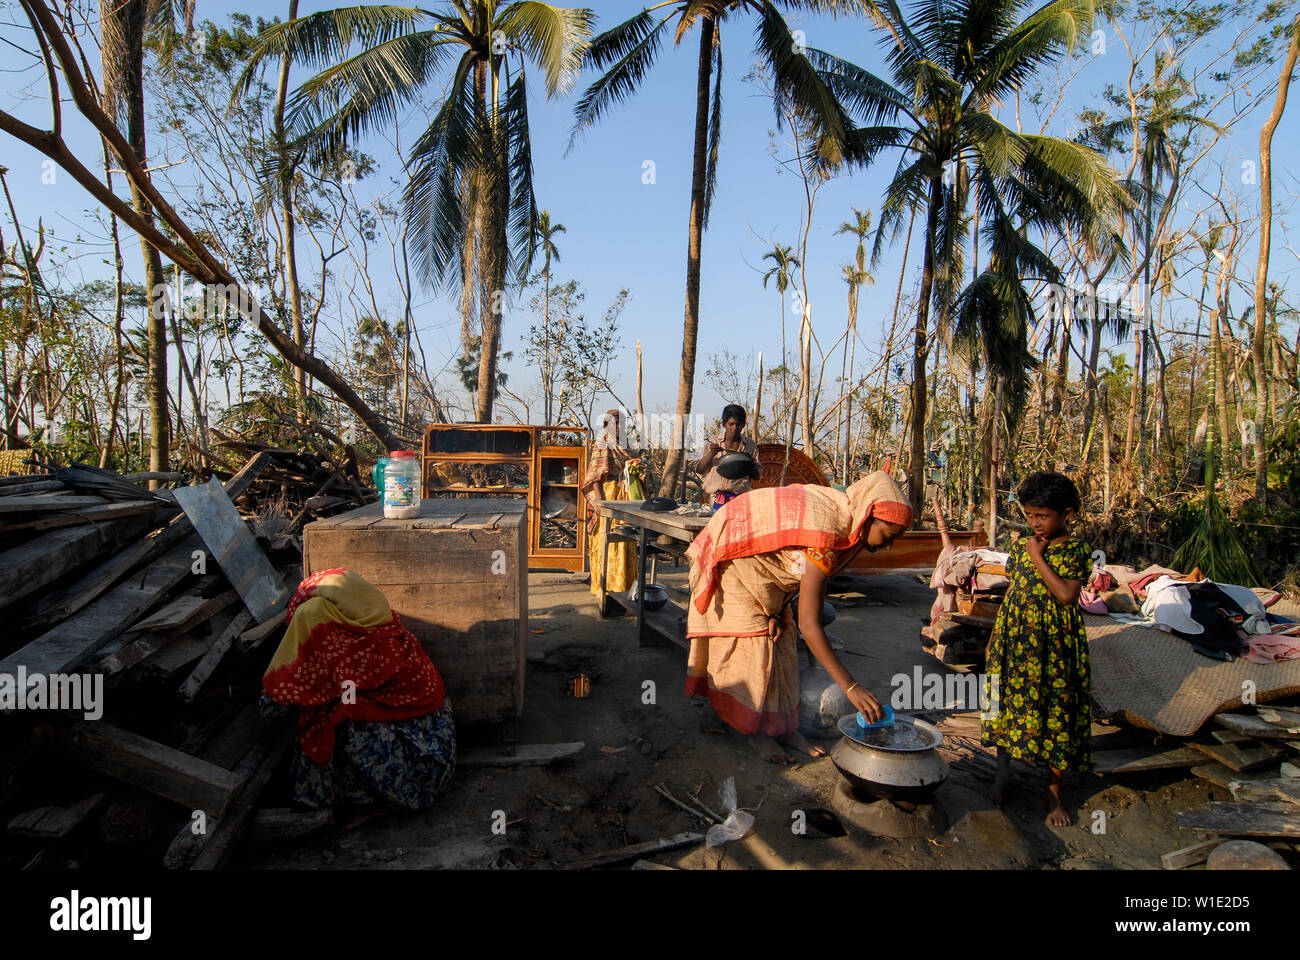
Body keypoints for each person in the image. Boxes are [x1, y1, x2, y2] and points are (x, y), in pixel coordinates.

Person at [684, 471, 912, 763]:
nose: (887, 545)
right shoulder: (828, 531)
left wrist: (779, 609)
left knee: (783, 636)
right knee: (755, 642)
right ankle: (757, 733)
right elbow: (810, 622)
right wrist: (851, 687)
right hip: (734, 555)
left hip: (763, 561)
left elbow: (803, 579)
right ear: (869, 516)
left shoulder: (844, 525)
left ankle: (786, 728)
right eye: (888, 536)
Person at [261, 568, 456, 814]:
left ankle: (349, 801)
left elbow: (273, 707)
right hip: (435, 760)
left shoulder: (347, 653)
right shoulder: (386, 633)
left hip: (415, 778)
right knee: (334, 709)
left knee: (327, 718)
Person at [980, 471, 1093, 827]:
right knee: (1004, 703)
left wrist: (1037, 555)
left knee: (1057, 710)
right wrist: (994, 638)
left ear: (1067, 513)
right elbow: (1015, 590)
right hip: (1014, 638)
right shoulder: (1021, 546)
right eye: (1029, 515)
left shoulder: (1075, 549)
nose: (1035, 523)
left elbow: (1066, 594)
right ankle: (1002, 774)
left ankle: (1055, 790)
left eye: (1042, 516)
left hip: (1055, 646)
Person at [582, 409, 638, 598]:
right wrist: (602, 503)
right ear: (606, 426)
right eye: (615, 423)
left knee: (625, 542)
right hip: (607, 497)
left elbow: (634, 469)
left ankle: (623, 588)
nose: (620, 427)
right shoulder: (602, 444)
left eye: (622, 422)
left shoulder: (627, 445)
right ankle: (605, 590)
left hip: (625, 497)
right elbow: (594, 477)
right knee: (607, 541)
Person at [694, 404, 760, 510]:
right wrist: (711, 453)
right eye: (731, 424)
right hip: (713, 499)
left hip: (739, 500)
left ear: (743, 425)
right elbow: (700, 470)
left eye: (738, 425)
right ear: (724, 424)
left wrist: (749, 463)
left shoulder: (750, 446)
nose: (734, 428)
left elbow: (757, 476)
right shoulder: (714, 442)